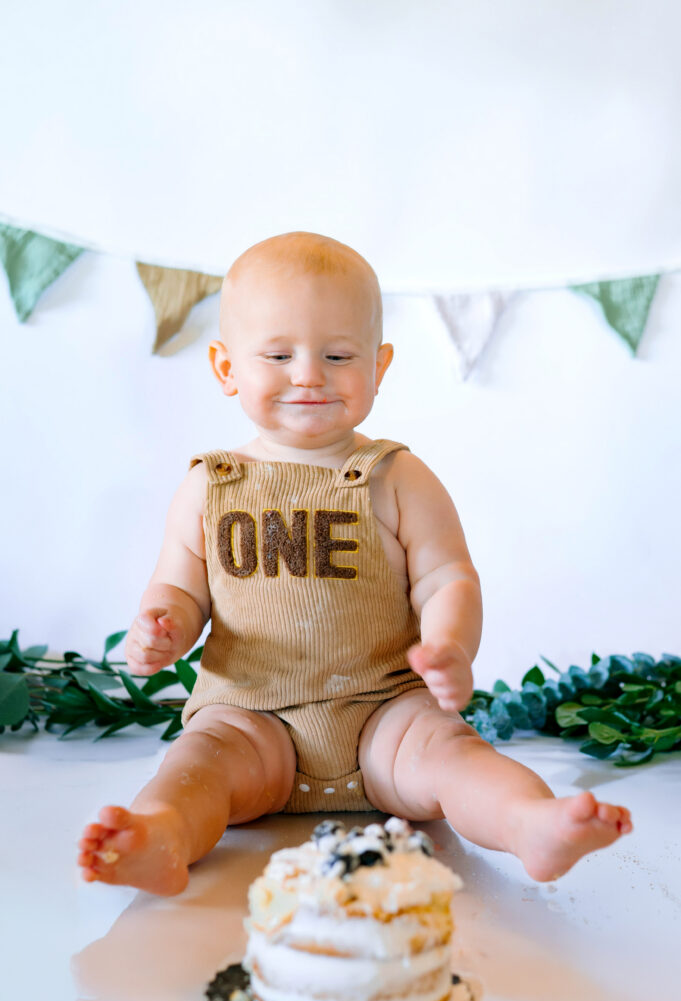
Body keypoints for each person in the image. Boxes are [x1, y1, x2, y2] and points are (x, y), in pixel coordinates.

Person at [78, 232, 632, 895]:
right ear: (226, 369)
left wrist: (449, 645)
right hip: (251, 718)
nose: (308, 373)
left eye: (337, 355)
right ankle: (160, 834)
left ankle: (528, 822)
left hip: (385, 716)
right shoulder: (210, 484)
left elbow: (447, 577)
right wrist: (162, 623)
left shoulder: (396, 476)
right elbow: (179, 583)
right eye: (278, 355)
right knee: (196, 766)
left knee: (454, 755)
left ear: (379, 366)